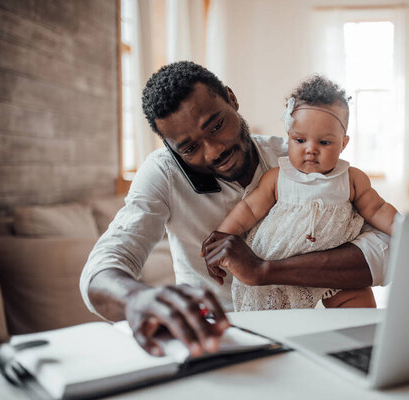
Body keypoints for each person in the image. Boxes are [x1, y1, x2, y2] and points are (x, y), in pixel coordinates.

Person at [80, 61, 390, 357]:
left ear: (232, 99)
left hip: (310, 335)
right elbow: (102, 268)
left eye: (216, 126)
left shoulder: (297, 157)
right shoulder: (162, 174)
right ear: (170, 148)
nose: (214, 151)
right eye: (189, 148)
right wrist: (137, 298)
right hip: (216, 340)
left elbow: (387, 249)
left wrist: (263, 271)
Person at [202, 76, 397, 311]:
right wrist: (223, 236)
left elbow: (377, 209)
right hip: (279, 261)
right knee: (274, 312)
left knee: (359, 306)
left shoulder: (352, 178)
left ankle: (363, 343)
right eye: (300, 140)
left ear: (343, 144)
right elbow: (249, 209)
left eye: (324, 142)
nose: (311, 149)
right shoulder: (278, 177)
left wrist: (406, 231)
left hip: (335, 266)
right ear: (289, 138)